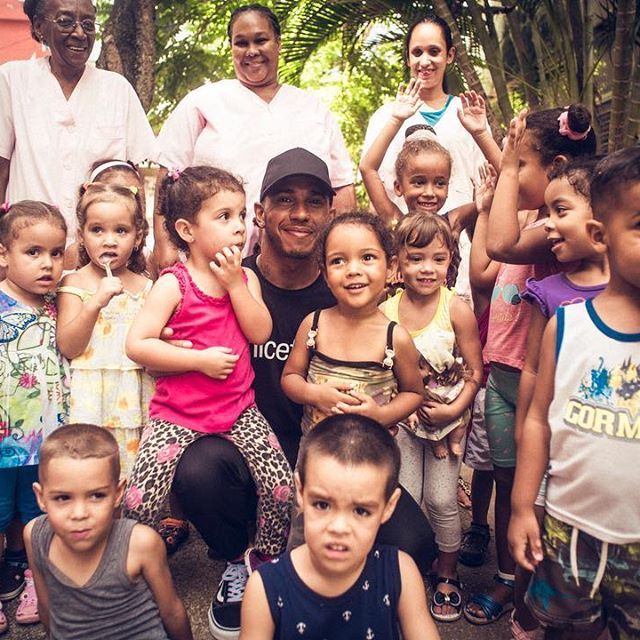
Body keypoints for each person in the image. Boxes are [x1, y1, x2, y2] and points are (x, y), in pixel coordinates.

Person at [168, 149, 436, 640]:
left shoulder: (343, 296)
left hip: (335, 462)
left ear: (329, 216)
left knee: (415, 543)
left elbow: (410, 381)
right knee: (197, 469)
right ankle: (236, 559)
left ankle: (350, 583)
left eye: (315, 202)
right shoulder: (229, 282)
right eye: (285, 200)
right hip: (246, 452)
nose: (299, 213)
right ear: (259, 213)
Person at [463, 104, 598, 627]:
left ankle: (532, 594)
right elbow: (489, 252)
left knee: (534, 493)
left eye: (519, 163)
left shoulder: (557, 227)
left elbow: (500, 242)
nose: (508, 175)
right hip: (501, 376)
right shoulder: (530, 212)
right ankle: (505, 579)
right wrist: (494, 147)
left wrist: (506, 160)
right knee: (505, 484)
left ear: (558, 167)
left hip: (535, 386)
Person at [124, 166, 293, 574]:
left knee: (280, 486)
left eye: (239, 216)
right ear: (186, 229)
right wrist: (197, 360)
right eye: (224, 217)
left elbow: (260, 332)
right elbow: (137, 344)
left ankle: (266, 558)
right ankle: (136, 569)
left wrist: (236, 285)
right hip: (177, 415)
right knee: (140, 500)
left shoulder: (245, 277)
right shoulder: (173, 284)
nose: (238, 227)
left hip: (239, 411)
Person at [508, 146, 640, 640]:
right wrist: (523, 507)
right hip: (567, 533)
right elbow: (540, 418)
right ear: (603, 237)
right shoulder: (567, 326)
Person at [153, 3, 355, 267]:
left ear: (278, 43)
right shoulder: (203, 102)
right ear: (231, 47)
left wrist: (338, 252)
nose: (252, 51)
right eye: (241, 43)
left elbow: (342, 187)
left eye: (261, 40)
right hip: (214, 262)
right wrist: (165, 247)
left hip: (299, 263)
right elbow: (167, 178)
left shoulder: (313, 109)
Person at [240, 414, 441, 640]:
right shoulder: (264, 589)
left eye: (361, 511)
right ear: (300, 491)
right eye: (322, 504)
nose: (339, 527)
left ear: (389, 506)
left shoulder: (401, 573)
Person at [381, 212, 482, 622]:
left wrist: (457, 409)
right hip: (404, 423)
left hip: (448, 421)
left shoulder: (455, 309)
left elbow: (475, 372)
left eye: (437, 259)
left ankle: (447, 571)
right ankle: (407, 570)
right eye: (416, 258)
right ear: (398, 263)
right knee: (405, 497)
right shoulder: (385, 309)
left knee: (442, 499)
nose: (427, 268)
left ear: (449, 262)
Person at [361, 14, 500, 300]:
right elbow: (370, 171)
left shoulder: (468, 114)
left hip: (453, 255)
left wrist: (468, 214)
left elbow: (491, 183)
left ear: (449, 55)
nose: (425, 61)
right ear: (408, 58)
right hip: (402, 251)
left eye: (434, 51)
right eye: (417, 52)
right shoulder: (386, 116)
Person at [0, 0, 156, 249]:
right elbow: (1, 171)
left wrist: (140, 247)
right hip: (27, 253)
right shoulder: (12, 81)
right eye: (65, 22)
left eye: (88, 24)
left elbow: (136, 178)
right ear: (39, 27)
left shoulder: (116, 89)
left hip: (100, 258)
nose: (80, 33)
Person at [24, 423, 193, 639]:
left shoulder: (140, 543)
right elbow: (47, 608)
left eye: (96, 496)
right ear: (41, 497)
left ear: (117, 493)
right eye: (62, 498)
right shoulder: (35, 536)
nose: (79, 513)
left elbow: (172, 612)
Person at [281, 211, 423, 435]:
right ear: (326, 275)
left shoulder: (395, 338)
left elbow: (414, 393)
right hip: (315, 460)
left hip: (372, 462)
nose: (353, 270)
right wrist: (314, 394)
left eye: (367, 257)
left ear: (391, 267)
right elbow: (290, 377)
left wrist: (381, 416)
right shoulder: (314, 325)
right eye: (338, 261)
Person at [0, 201, 68, 630]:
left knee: (37, 515)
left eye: (57, 252)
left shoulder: (59, 305)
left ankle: (31, 577)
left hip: (46, 440)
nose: (47, 263)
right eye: (33, 252)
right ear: (3, 253)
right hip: (3, 440)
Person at [56, 183, 153, 480]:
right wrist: (95, 302)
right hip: (89, 399)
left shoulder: (146, 287)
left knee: (129, 470)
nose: (109, 240)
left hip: (133, 397)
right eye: (97, 230)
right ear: (82, 236)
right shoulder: (74, 283)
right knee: (89, 471)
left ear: (137, 238)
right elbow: (70, 346)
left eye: (120, 231)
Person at [360, 80, 498, 232]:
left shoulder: (451, 223)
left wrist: (481, 133)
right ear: (398, 187)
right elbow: (367, 168)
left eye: (439, 183)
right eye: (419, 182)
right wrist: (396, 120)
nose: (429, 193)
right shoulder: (397, 223)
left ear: (448, 186)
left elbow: (507, 177)